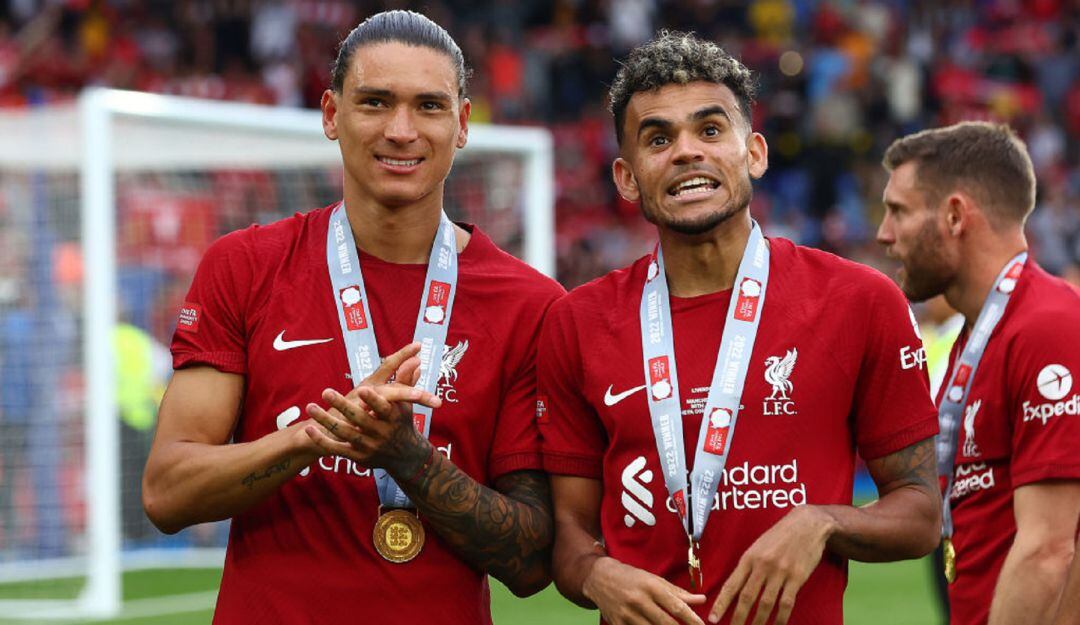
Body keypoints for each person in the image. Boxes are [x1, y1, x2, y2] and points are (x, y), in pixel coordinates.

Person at [142, 10, 563, 624]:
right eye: (374, 102)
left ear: (463, 124)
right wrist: (313, 437)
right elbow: (166, 491)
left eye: (428, 106)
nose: (401, 130)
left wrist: (404, 455)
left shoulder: (533, 305)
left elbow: (531, 564)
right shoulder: (245, 266)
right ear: (332, 115)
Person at [538, 31, 941, 625]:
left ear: (753, 152)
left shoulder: (860, 301)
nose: (686, 152)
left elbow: (921, 513)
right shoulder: (577, 322)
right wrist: (596, 574)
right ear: (626, 178)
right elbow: (568, 531)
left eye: (709, 130)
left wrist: (822, 522)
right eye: (658, 138)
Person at [877, 121, 1080, 625]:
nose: (883, 234)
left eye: (898, 211)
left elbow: (1052, 550)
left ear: (953, 215)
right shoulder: (977, 341)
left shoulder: (1048, 327)